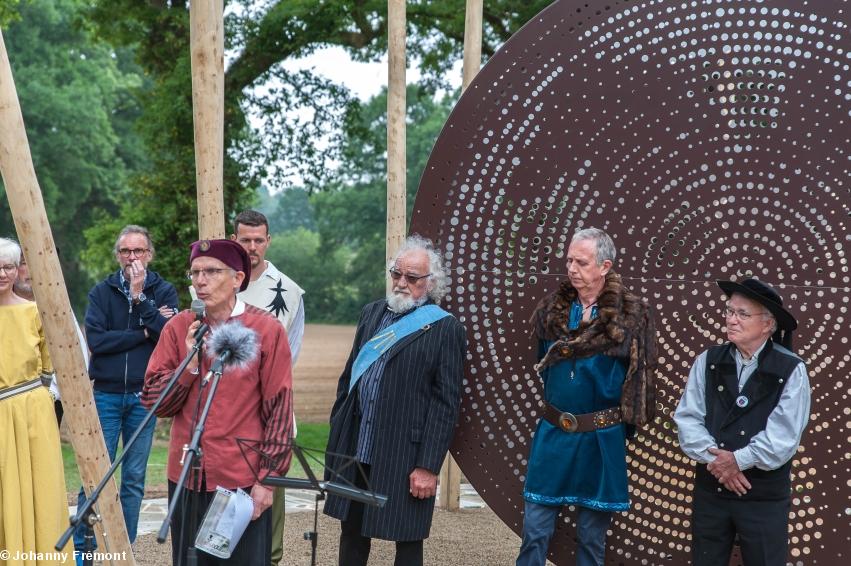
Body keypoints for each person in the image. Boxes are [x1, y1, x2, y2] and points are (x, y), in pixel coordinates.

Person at [143, 239, 294, 566]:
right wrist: (189, 364)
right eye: (195, 272)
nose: (201, 280)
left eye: (211, 272)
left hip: (239, 479)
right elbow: (155, 402)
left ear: (238, 279)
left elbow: (279, 410)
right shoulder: (178, 328)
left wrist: (267, 481)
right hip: (185, 477)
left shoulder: (266, 330)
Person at [516, 228, 658, 566]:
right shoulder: (552, 310)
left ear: (604, 266)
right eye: (569, 260)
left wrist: (623, 428)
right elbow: (545, 366)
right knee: (534, 531)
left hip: (601, 436)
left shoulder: (631, 314)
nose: (572, 268)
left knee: (592, 539)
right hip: (554, 432)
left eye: (581, 262)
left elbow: (640, 377)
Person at [324, 235, 466, 566]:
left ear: (430, 283)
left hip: (406, 455)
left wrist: (428, 466)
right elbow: (349, 380)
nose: (401, 283)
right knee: (352, 534)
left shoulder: (445, 329)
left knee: (407, 540)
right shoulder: (371, 313)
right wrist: (338, 433)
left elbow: (445, 405)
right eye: (397, 274)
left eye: (412, 277)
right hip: (358, 447)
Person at [674, 278, 810, 566]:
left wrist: (737, 461)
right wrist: (720, 463)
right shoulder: (708, 361)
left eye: (742, 314)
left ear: (768, 324)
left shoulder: (791, 369)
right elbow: (688, 419)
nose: (731, 320)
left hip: (763, 498)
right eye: (729, 311)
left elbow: (782, 438)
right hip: (712, 492)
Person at [75, 225, 179, 553]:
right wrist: (144, 332)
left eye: (138, 251)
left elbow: (169, 335)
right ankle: (83, 549)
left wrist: (140, 298)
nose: (132, 257)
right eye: (125, 251)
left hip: (144, 397)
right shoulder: (101, 292)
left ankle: (124, 549)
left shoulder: (164, 291)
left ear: (150, 254)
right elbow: (97, 342)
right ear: (118, 255)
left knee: (133, 478)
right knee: (95, 473)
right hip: (105, 394)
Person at [230, 209, 305, 566]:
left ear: (268, 241)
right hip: (226, 413)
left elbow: (291, 353)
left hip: (271, 411)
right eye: (245, 240)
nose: (252, 247)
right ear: (234, 240)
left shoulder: (289, 291)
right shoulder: (218, 281)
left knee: (268, 505)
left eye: (258, 240)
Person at [0, 237, 71, 564]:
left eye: (8, 267)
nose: (2, 273)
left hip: (32, 409)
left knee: (40, 484)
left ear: (18, 271)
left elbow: (47, 367)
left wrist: (35, 399)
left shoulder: (33, 312)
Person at [14, 250, 89, 424]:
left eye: (36, 263)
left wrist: (52, 392)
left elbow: (77, 357)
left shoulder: (58, 307)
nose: (31, 269)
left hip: (50, 401)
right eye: (24, 263)